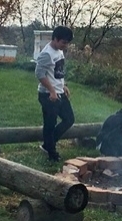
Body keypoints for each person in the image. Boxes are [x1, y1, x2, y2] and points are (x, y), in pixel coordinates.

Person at [35, 26, 76, 162]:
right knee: (50, 124)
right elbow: (39, 74)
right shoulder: (47, 54)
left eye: (67, 43)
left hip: (59, 92)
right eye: (63, 42)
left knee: (69, 119)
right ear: (55, 39)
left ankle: (48, 145)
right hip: (47, 95)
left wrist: (63, 86)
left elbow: (57, 71)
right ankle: (51, 153)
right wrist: (52, 90)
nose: (66, 45)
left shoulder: (59, 51)